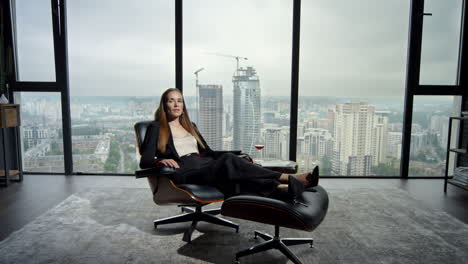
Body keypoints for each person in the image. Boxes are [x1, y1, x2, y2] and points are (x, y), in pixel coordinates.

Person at [139, 88, 319, 200]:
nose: (176, 104)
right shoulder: (157, 128)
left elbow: (209, 152)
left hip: (205, 165)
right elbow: (145, 161)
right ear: (165, 105)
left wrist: (238, 153)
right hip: (185, 172)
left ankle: (282, 189)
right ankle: (288, 178)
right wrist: (160, 162)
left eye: (179, 100)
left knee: (233, 166)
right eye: (171, 100)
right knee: (227, 161)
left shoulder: (190, 126)